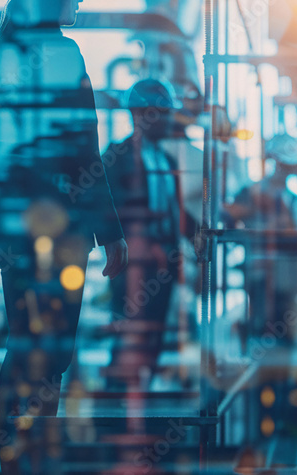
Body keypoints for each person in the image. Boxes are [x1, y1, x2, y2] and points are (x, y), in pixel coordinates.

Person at [0, 0, 128, 473]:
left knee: (28, 342)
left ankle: (17, 454)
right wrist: (109, 232)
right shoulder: (60, 53)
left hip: (14, 226)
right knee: (47, 348)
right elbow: (82, 154)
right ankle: (28, 456)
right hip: (54, 230)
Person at [104, 78, 196, 391]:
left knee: (153, 338)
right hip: (135, 267)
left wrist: (202, 235)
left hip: (163, 267)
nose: (171, 120)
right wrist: (145, 243)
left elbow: (176, 211)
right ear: (144, 114)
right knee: (131, 339)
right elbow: (113, 211)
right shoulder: (116, 157)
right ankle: (114, 407)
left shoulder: (165, 160)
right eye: (165, 113)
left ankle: (139, 403)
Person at [224, 132, 297, 438]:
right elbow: (226, 220)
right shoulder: (251, 194)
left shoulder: (292, 200)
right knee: (263, 346)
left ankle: (282, 418)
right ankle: (259, 420)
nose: (291, 170)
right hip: (262, 283)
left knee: (286, 348)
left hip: (285, 285)